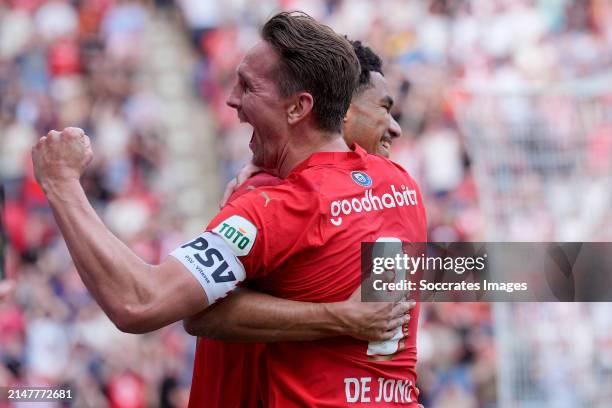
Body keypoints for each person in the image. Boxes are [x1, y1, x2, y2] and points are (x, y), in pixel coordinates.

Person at [31, 11, 426, 406]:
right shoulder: (402, 186)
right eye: (385, 110)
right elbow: (457, 275)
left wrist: (60, 182)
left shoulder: (273, 206)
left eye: (248, 87)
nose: (395, 127)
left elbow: (148, 303)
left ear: (299, 108)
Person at [183, 40, 412, 408]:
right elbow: (193, 310)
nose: (395, 128)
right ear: (344, 113)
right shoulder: (269, 194)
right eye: (384, 109)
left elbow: (405, 279)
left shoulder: (380, 193)